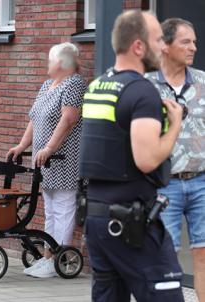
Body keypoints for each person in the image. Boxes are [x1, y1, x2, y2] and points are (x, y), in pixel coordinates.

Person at [79, 10, 185, 301]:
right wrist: (174, 126)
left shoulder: (98, 86)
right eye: (159, 39)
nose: (164, 46)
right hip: (131, 223)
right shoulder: (141, 92)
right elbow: (147, 160)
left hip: (98, 219)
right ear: (139, 46)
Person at [7, 42, 86, 278]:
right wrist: (23, 145)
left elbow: (69, 119)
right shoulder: (47, 85)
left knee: (63, 208)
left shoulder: (74, 84)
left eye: (50, 60)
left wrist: (50, 147)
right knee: (50, 209)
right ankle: (48, 257)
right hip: (47, 162)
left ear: (60, 63)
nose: (48, 64)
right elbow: (35, 119)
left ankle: (58, 260)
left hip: (65, 159)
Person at [146, 18, 205, 301]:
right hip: (162, 186)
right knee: (163, 258)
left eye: (194, 41)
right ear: (165, 45)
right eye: (186, 41)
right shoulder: (145, 87)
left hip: (202, 182)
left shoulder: (204, 82)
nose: (193, 47)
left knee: (204, 253)